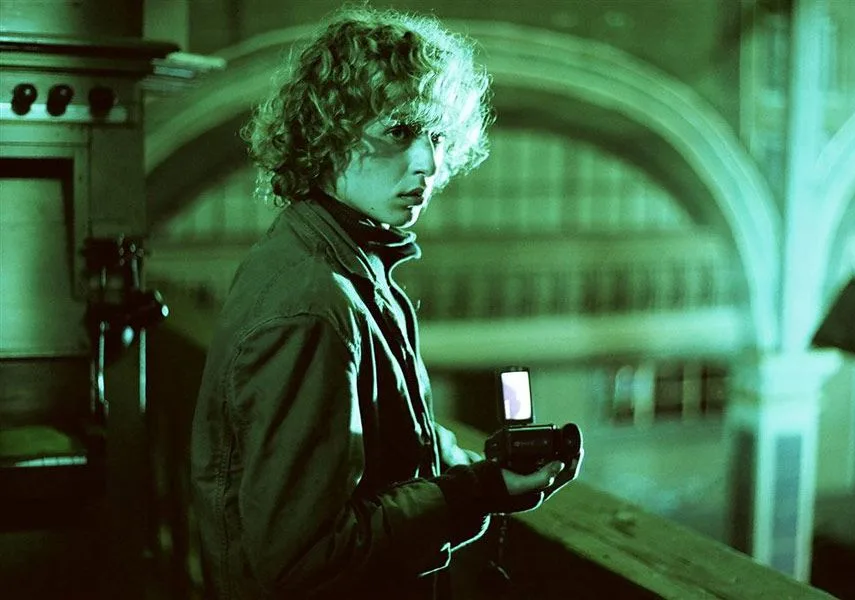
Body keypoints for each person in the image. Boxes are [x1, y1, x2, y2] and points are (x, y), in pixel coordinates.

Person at [190, 6, 582, 599]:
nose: (429, 164)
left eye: (438, 137)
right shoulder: (314, 302)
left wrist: (481, 476)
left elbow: (384, 453)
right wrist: (475, 492)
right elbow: (304, 560)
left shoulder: (339, 264)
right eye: (399, 132)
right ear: (327, 134)